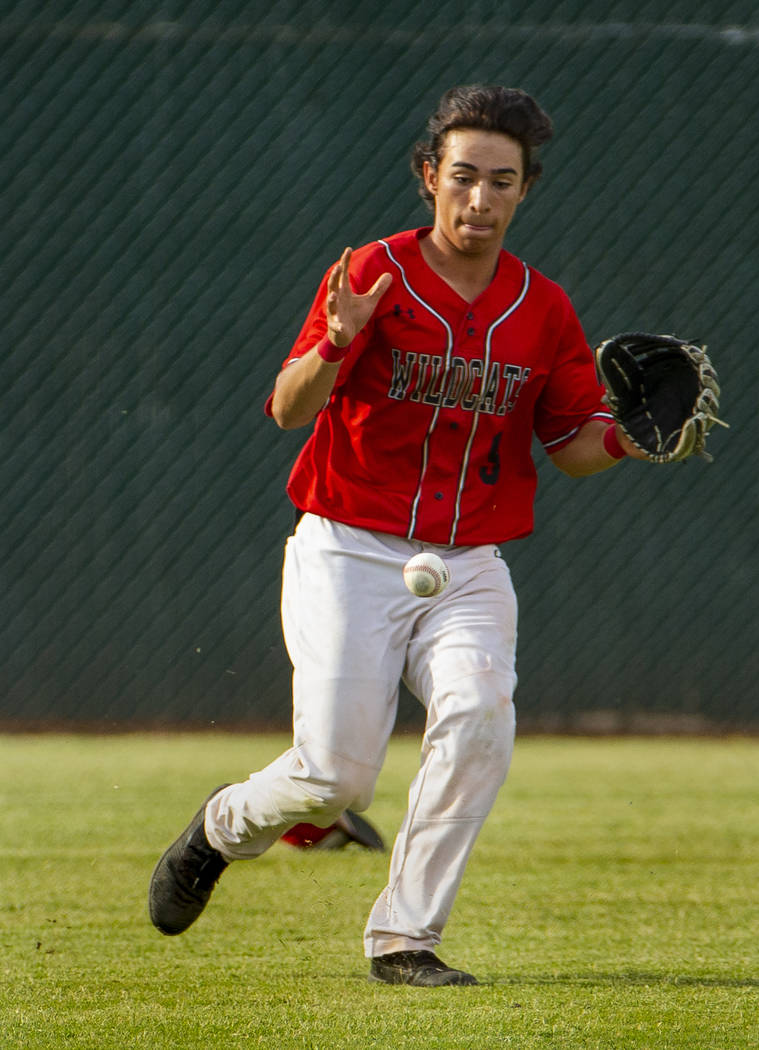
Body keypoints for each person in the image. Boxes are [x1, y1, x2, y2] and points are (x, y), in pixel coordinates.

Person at [149, 83, 647, 987]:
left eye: (502, 181)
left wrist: (630, 438)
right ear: (430, 176)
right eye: (463, 177)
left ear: (525, 190)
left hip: (469, 566)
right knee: (335, 781)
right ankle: (220, 829)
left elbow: (572, 447)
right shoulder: (373, 271)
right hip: (348, 548)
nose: (480, 199)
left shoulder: (542, 307)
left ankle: (404, 939)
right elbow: (286, 408)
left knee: (480, 720)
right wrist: (337, 342)